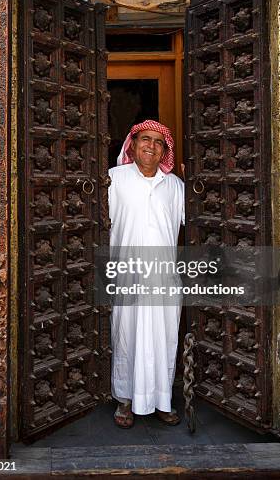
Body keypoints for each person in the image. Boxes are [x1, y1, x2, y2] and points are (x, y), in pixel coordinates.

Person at [108, 120, 185, 428]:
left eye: (158, 141)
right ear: (132, 144)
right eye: (145, 139)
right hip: (127, 275)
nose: (151, 146)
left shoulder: (175, 186)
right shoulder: (114, 180)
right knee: (127, 337)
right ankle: (125, 400)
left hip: (165, 278)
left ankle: (162, 400)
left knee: (164, 339)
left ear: (164, 149)